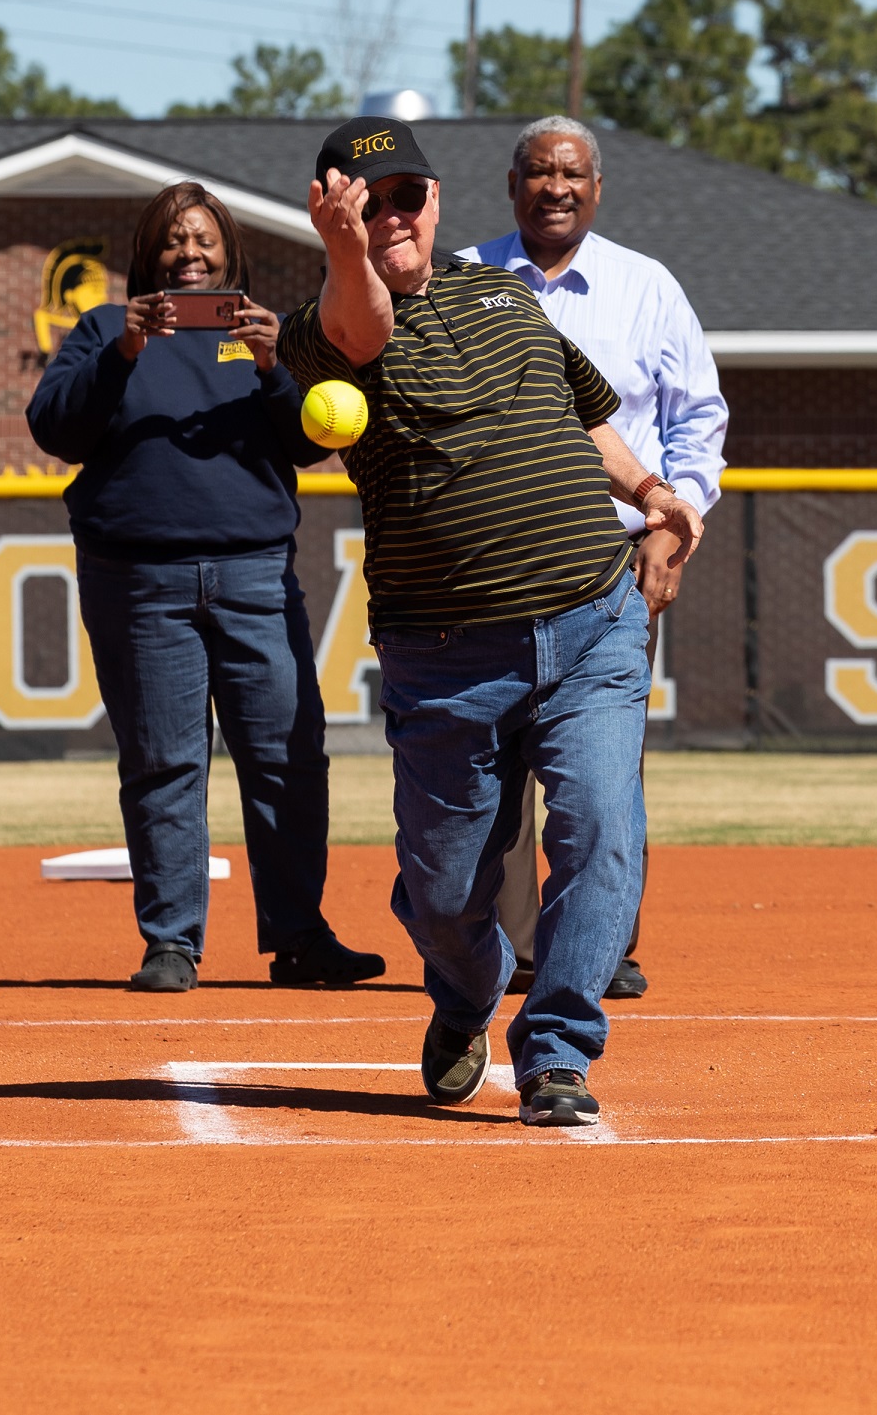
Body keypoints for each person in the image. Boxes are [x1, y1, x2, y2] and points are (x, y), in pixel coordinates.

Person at [276, 116, 703, 1128]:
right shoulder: (323, 328)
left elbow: (585, 409)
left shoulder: (503, 293)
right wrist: (345, 248)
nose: (392, 216)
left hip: (592, 620)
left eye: (406, 196)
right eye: (366, 201)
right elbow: (365, 323)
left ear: (436, 201)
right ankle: (466, 994)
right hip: (447, 656)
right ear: (333, 211)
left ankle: (557, 1046)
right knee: (444, 888)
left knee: (602, 828)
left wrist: (651, 488)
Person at [25, 182, 386, 994]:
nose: (190, 253)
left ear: (230, 251)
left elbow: (304, 444)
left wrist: (271, 366)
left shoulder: (273, 332)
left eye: (204, 240)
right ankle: (171, 943)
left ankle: (299, 937)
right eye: (172, 241)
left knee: (289, 756)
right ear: (146, 256)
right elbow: (55, 427)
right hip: (139, 580)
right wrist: (123, 351)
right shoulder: (101, 331)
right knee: (164, 762)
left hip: (257, 574)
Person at [460, 114, 728, 1001]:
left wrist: (673, 523)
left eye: (573, 174)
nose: (556, 188)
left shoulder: (647, 288)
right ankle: (503, 948)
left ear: (598, 188)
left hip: (612, 565)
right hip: (490, 565)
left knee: (603, 774)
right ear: (512, 184)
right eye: (539, 172)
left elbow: (698, 420)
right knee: (494, 768)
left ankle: (600, 946)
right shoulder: (462, 278)